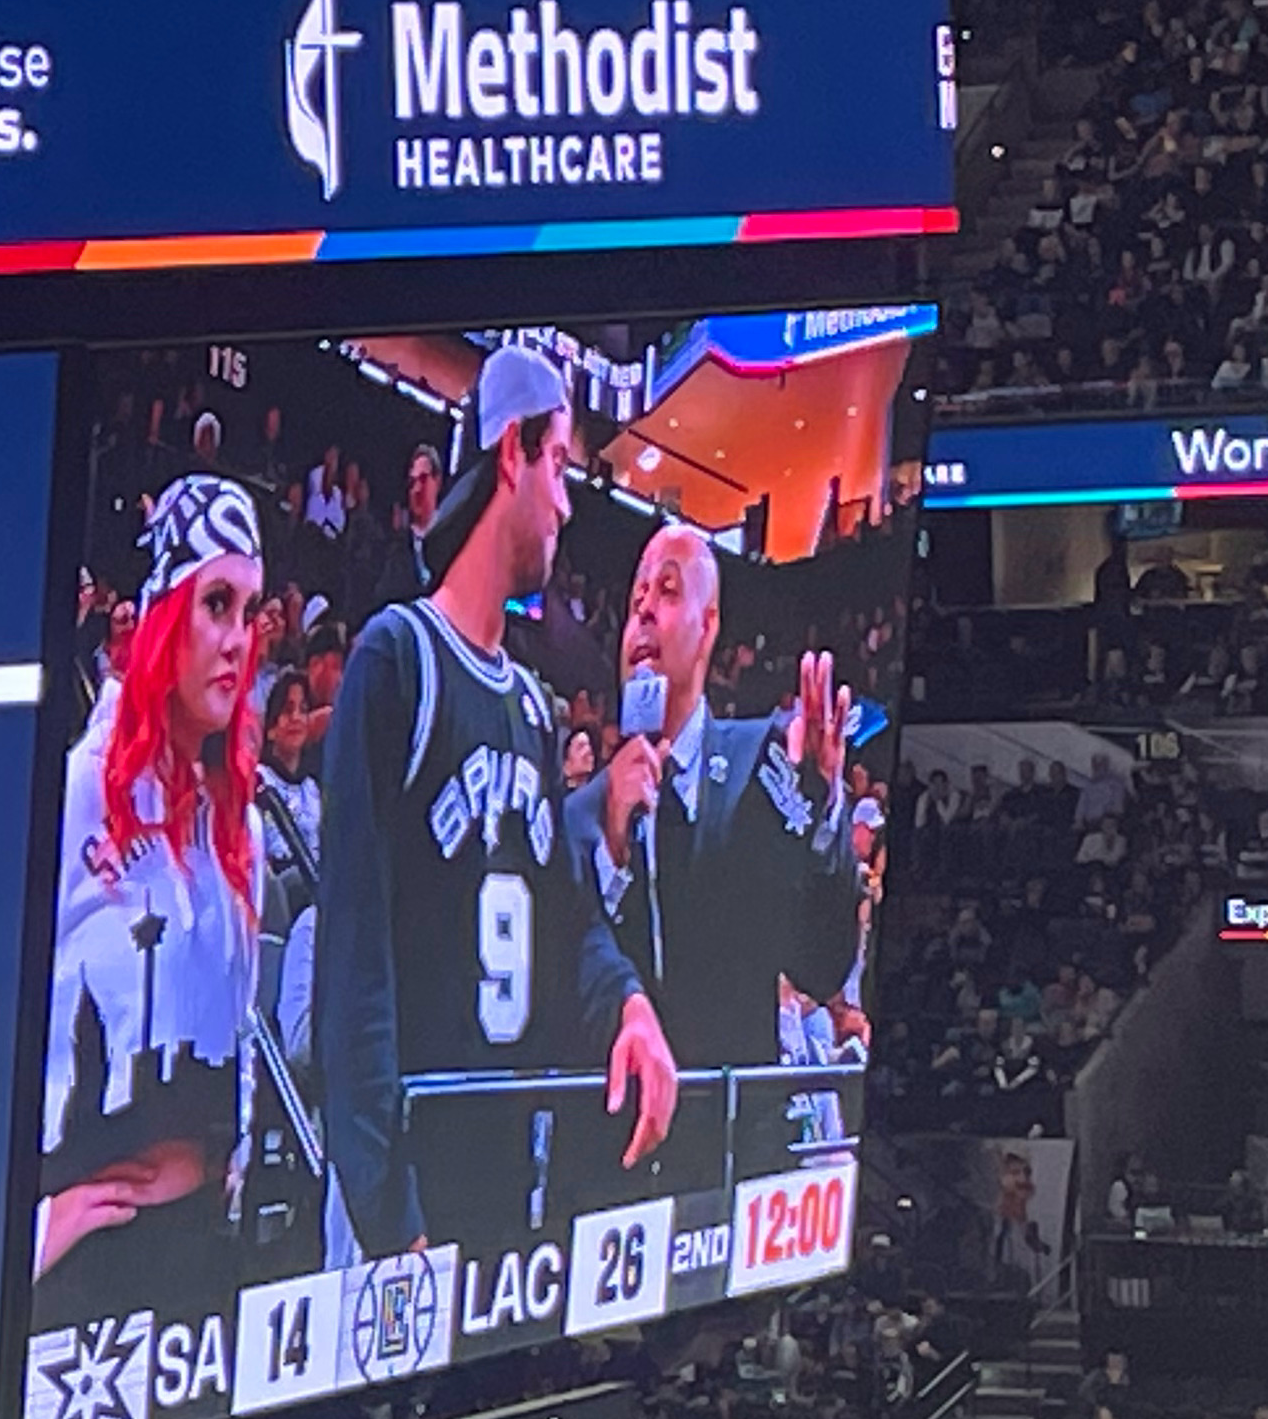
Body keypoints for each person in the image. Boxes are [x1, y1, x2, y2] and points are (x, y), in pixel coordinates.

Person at [313, 343, 672, 1268]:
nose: (568, 505)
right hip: (404, 1197)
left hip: (502, 1185)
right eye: (560, 468)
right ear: (513, 451)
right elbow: (352, 964)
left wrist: (628, 1007)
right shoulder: (396, 660)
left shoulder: (532, 709)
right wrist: (389, 1214)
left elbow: (566, 917)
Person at [34, 472, 269, 1321]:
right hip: (88, 1275)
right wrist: (29, 1231)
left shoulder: (240, 822)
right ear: (164, 615)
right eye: (216, 604)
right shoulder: (77, 792)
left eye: (251, 612)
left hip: (204, 1253)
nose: (237, 640)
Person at [560, 520, 869, 1075]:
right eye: (636, 598)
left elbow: (821, 968)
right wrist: (613, 852)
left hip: (735, 1119)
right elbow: (565, 978)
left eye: (667, 590)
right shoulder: (583, 812)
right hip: (615, 1120)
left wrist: (823, 812)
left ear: (707, 626)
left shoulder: (760, 764)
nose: (644, 610)